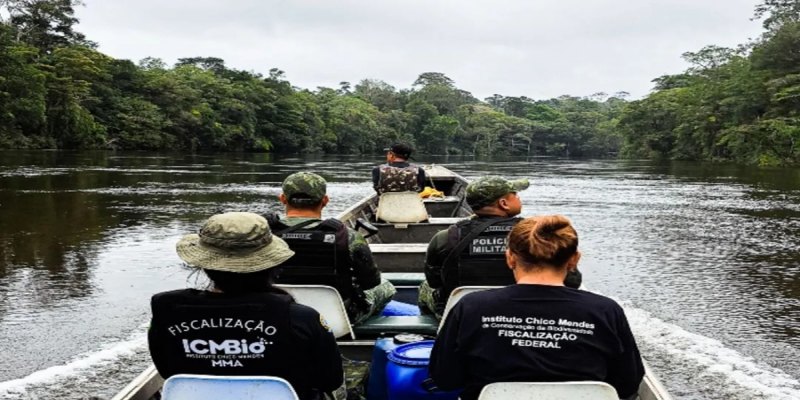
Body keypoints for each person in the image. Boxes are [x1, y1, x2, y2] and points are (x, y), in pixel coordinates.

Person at [429, 215, 644, 400]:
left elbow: (445, 378)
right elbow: (627, 384)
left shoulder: (471, 306)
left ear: (510, 258)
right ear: (574, 260)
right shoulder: (606, 311)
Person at [148, 212, 344, 400]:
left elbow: (167, 370)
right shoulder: (302, 317)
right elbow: (330, 380)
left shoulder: (165, 309)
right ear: (270, 265)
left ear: (205, 264)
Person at [418, 176, 582, 318]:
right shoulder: (538, 236)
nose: (519, 198)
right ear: (504, 203)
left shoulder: (446, 237)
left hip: (463, 313)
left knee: (424, 287)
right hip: (529, 311)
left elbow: (434, 281)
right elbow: (572, 281)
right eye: (515, 195)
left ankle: (433, 334)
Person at [266, 171, 395, 324]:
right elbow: (371, 282)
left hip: (273, 312)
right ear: (325, 200)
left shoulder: (261, 234)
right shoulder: (348, 236)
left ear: (282, 199)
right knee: (386, 287)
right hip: (336, 320)